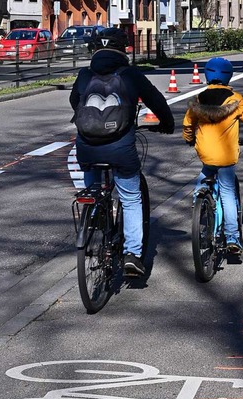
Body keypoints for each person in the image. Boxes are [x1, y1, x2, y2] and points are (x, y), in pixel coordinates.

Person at [70, 27, 174, 276]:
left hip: (87, 148)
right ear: (124, 48)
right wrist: (167, 125)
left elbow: (75, 102)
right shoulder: (130, 74)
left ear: (95, 49)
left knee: (92, 189)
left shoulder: (85, 74)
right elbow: (156, 100)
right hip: (121, 150)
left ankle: (94, 217)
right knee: (130, 197)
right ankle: (133, 255)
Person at [182, 57, 243, 255]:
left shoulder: (198, 99)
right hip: (226, 156)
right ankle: (233, 237)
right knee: (227, 193)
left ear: (207, 74)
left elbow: (187, 125)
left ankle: (198, 206)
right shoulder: (236, 99)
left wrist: (189, 139)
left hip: (206, 155)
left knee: (203, 178)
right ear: (228, 75)